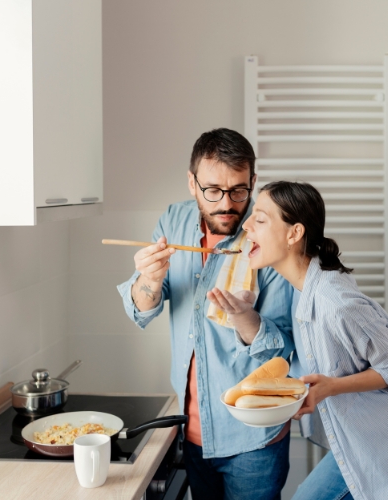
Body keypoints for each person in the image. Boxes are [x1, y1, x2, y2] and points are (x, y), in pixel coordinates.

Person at [228, 180, 388, 500]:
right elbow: (295, 358)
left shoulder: (336, 302)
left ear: (294, 233)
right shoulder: (303, 292)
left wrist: (331, 387)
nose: (246, 225)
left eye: (259, 218)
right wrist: (245, 316)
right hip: (362, 447)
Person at [117, 128, 295, 499]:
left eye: (239, 191)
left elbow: (282, 350)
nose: (226, 205)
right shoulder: (173, 221)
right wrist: (149, 279)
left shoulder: (270, 234)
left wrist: (245, 317)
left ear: (253, 182)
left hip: (253, 439)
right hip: (191, 433)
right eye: (213, 190)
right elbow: (143, 309)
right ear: (192, 183)